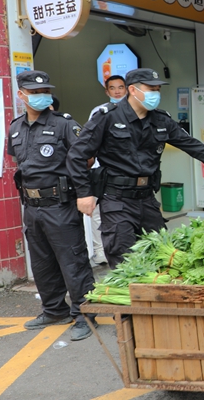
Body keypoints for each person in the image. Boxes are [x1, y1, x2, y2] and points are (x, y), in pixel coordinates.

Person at [66, 68, 204, 268]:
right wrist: (83, 193)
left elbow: (191, 144)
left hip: (147, 199)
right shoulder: (107, 117)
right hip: (117, 200)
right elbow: (77, 155)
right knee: (125, 261)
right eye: (151, 89)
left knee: (161, 256)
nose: (156, 94)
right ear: (133, 90)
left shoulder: (161, 120)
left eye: (157, 89)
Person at [8, 71, 96, 341]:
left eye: (44, 91)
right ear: (21, 95)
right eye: (34, 93)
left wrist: (83, 193)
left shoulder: (64, 124)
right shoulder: (15, 127)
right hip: (32, 206)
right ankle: (54, 309)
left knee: (73, 261)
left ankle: (84, 314)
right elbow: (18, 163)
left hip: (60, 204)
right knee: (42, 262)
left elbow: (87, 158)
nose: (40, 96)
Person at [85, 75, 128, 265]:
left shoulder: (133, 110)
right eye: (113, 88)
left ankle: (123, 250)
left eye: (121, 87)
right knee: (97, 213)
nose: (117, 91)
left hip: (125, 173)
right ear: (107, 91)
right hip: (100, 171)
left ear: (128, 89)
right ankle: (100, 251)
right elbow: (90, 142)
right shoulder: (99, 112)